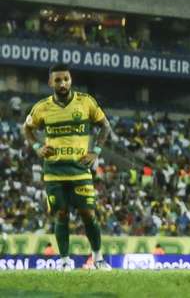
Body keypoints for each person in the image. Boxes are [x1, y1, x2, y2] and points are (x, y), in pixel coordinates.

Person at [22, 64, 113, 271]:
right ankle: (64, 262)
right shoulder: (42, 107)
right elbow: (26, 127)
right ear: (50, 82)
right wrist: (37, 146)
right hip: (54, 172)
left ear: (71, 80)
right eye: (57, 80)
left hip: (80, 170)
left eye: (65, 79)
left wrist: (96, 151)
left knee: (88, 214)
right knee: (61, 215)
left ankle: (98, 259)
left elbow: (105, 126)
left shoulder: (86, 102)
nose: (62, 83)